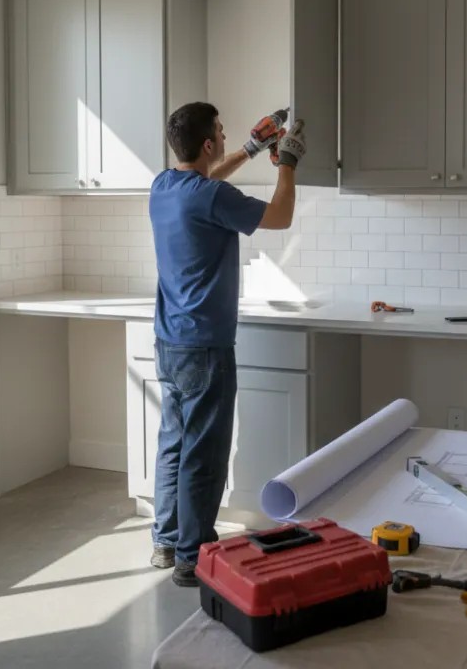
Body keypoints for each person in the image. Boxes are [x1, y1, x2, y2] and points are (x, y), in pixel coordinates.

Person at [147, 101, 306, 587]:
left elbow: (207, 175)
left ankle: (167, 540)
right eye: (221, 131)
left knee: (174, 444)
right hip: (206, 346)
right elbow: (279, 217)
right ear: (209, 143)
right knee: (204, 454)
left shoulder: (163, 186)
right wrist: (289, 164)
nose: (223, 135)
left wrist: (252, 150)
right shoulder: (212, 196)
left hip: (170, 343)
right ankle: (193, 558)